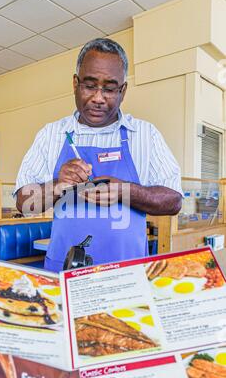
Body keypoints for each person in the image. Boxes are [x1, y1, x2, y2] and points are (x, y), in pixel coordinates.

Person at [15, 38, 183, 273]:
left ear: (122, 91)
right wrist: (58, 185)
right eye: (90, 85)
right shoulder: (51, 134)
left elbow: (174, 201)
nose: (98, 97)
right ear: (75, 84)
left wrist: (126, 191)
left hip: (128, 274)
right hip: (64, 271)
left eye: (110, 88)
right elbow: (24, 204)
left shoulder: (145, 135)